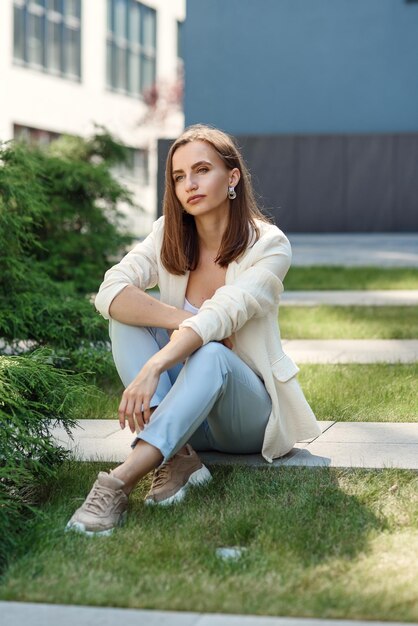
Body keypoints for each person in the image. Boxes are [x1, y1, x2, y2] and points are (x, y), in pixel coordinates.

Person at [66, 124, 321, 536]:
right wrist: (179, 320)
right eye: (179, 176)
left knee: (214, 352)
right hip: (186, 413)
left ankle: (117, 483)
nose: (190, 184)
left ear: (232, 177)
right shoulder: (167, 232)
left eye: (202, 170)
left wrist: (155, 366)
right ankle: (178, 454)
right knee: (123, 316)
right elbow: (109, 292)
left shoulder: (269, 245)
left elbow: (223, 313)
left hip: (244, 419)